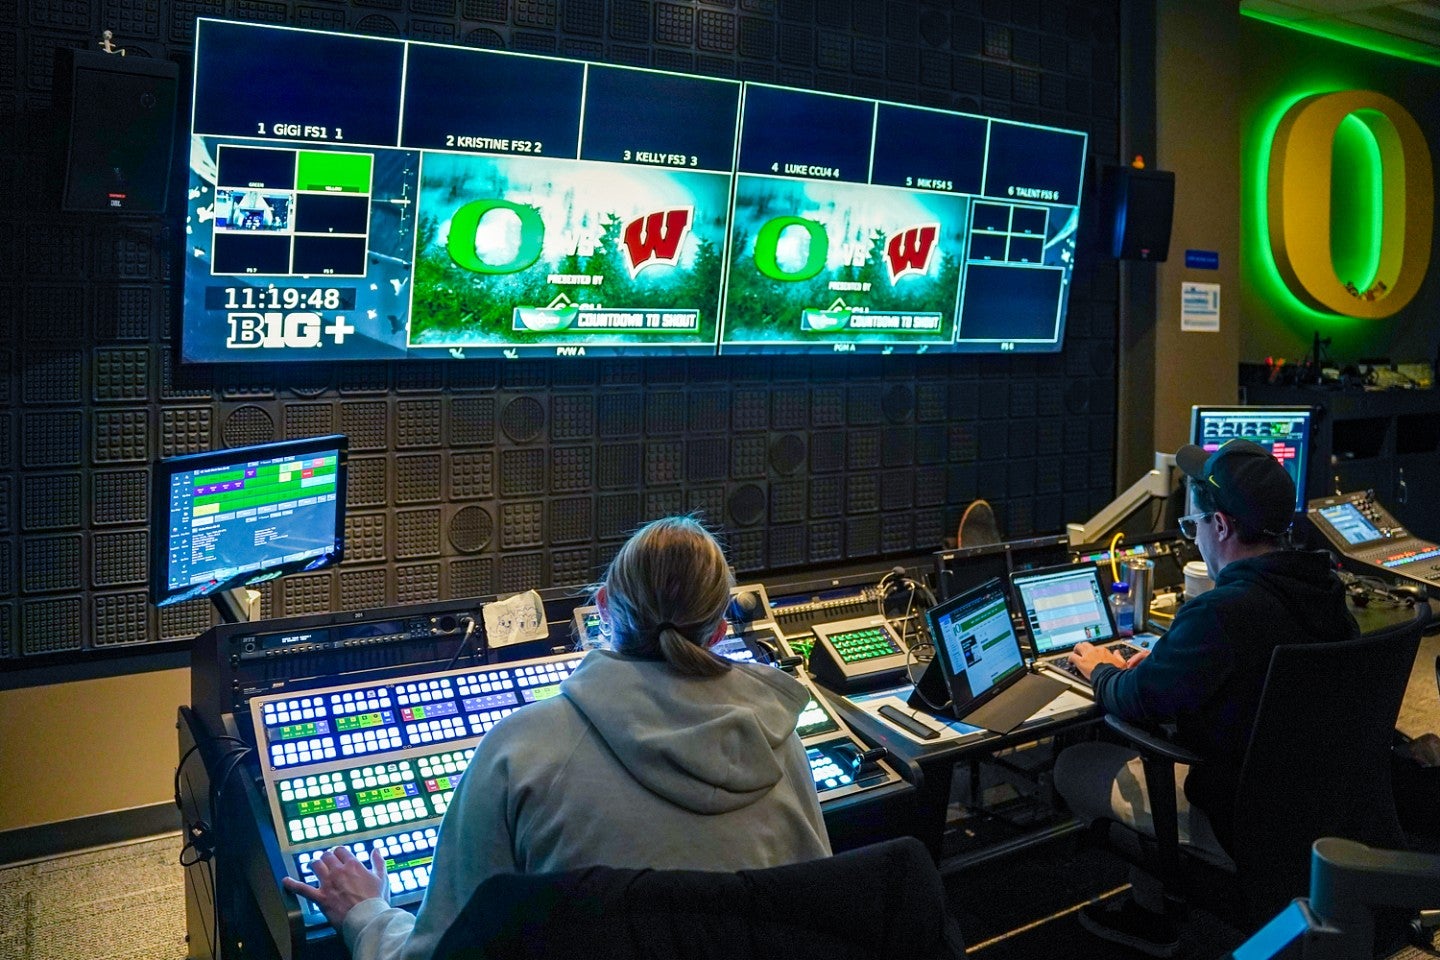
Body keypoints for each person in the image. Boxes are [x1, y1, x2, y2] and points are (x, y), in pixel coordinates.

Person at [283, 515, 831, 960]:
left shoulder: (521, 748)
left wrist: (366, 915)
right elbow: (815, 921)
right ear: (718, 631)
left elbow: (441, 954)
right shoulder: (780, 740)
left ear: (602, 607)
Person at [1053, 439, 1357, 958]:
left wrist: (1103, 672)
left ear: (1222, 526)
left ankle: (1160, 912)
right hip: (1324, 808)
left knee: (1075, 764)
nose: (1194, 539)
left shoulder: (1222, 612)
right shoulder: (1327, 592)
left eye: (1195, 526)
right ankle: (1154, 908)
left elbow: (1134, 698)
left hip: (1241, 819)